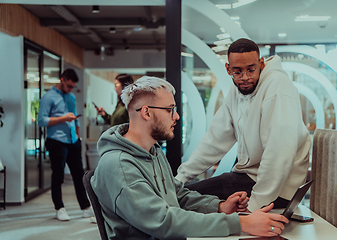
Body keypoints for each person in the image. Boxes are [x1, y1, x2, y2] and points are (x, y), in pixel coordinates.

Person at [91, 76, 288, 239]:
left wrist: (219, 206)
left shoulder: (154, 152)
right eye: (170, 109)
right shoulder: (118, 166)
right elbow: (164, 221)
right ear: (146, 112)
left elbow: (178, 196)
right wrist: (241, 222)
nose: (176, 117)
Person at [176, 38, 311, 212]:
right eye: (238, 72)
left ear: (261, 64)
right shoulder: (237, 90)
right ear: (228, 69)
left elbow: (280, 150)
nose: (245, 77)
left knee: (185, 199)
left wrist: (254, 206)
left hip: (279, 190)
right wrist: (180, 177)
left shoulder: (277, 86)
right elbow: (214, 140)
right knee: (184, 195)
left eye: (251, 70)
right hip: (248, 178)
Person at [38, 69, 94, 221]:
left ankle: (86, 208)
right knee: (58, 175)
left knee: (79, 175)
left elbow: (75, 118)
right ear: (62, 80)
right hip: (56, 141)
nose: (70, 89)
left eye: (73, 87)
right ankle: (59, 208)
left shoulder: (71, 97)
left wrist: (79, 137)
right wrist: (63, 118)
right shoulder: (48, 97)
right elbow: (41, 120)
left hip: (73, 141)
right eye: (69, 86)